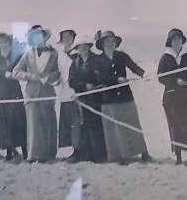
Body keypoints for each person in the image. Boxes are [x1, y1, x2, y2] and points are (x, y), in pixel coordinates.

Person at [95, 30, 151, 163]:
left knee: (134, 124)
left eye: (112, 41)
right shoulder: (98, 60)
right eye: (107, 42)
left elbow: (133, 66)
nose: (110, 44)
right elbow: (100, 77)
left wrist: (143, 74)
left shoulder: (122, 56)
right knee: (115, 128)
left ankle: (144, 153)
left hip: (125, 96)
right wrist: (116, 80)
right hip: (109, 99)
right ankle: (122, 156)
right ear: (102, 44)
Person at [12, 25, 62, 162]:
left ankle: (49, 154)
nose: (38, 38)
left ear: (45, 37)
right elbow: (16, 72)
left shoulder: (53, 53)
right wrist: (31, 76)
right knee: (34, 124)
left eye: (40, 35)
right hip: (31, 93)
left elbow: (57, 72)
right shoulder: (28, 54)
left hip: (47, 92)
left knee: (48, 121)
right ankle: (34, 155)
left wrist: (49, 77)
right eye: (34, 36)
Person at [157, 28, 187, 163]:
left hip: (186, 97)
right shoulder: (165, 58)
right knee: (175, 128)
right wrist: (175, 82)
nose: (177, 41)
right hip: (171, 98)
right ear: (170, 42)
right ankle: (179, 158)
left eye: (179, 39)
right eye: (174, 39)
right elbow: (161, 77)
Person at [67, 33, 108, 162]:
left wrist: (96, 85)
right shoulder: (75, 63)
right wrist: (85, 85)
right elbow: (72, 82)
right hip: (83, 100)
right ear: (77, 49)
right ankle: (87, 156)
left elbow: (104, 77)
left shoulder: (98, 61)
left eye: (85, 46)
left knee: (97, 126)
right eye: (80, 47)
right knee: (84, 127)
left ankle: (99, 156)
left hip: (97, 98)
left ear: (89, 47)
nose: (83, 49)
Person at [0, 32, 27, 161]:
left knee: (20, 122)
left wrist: (14, 74)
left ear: (10, 44)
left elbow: (23, 71)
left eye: (5, 42)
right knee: (4, 123)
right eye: (1, 42)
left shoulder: (17, 57)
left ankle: (25, 151)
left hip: (15, 92)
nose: (3, 45)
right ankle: (9, 152)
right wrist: (2, 75)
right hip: (1, 94)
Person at [55, 29, 80, 159]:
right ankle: (69, 150)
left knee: (76, 121)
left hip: (74, 91)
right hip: (62, 92)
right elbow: (56, 71)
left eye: (69, 37)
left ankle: (77, 149)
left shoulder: (77, 54)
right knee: (65, 122)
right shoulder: (59, 55)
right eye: (64, 37)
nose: (67, 39)